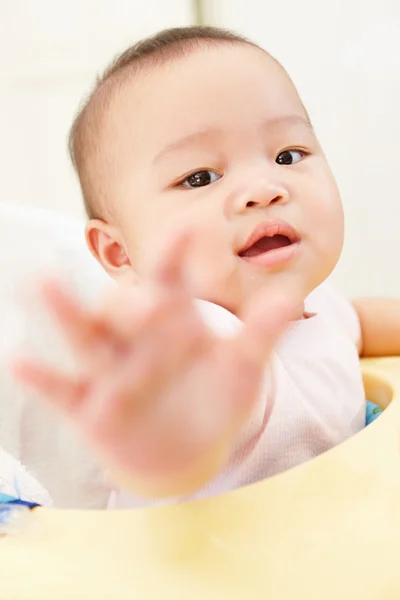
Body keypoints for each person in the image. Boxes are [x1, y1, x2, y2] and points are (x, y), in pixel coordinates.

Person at [11, 26, 400, 508]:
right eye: (200, 177)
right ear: (119, 252)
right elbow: (179, 430)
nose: (263, 187)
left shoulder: (314, 307)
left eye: (287, 155)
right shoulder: (196, 341)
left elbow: (360, 322)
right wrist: (158, 440)